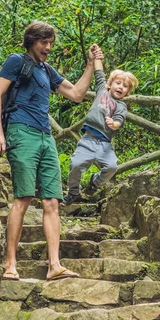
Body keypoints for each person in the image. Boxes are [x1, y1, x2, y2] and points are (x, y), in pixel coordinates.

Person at [0, 20, 103, 281]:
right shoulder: (16, 61)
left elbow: (76, 94)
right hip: (21, 130)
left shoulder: (47, 70)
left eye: (51, 43)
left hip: (45, 136)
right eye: (44, 42)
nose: (48, 47)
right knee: (24, 197)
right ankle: (10, 265)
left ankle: (54, 265)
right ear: (31, 41)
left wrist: (89, 64)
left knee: (52, 201)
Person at [63, 48, 138, 205]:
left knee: (112, 167)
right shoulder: (102, 90)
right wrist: (96, 55)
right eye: (118, 83)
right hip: (88, 139)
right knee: (75, 164)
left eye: (125, 86)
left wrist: (114, 124)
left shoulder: (121, 105)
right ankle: (73, 192)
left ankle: (94, 183)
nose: (120, 87)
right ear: (110, 84)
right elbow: (99, 72)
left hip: (105, 144)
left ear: (127, 92)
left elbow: (119, 120)